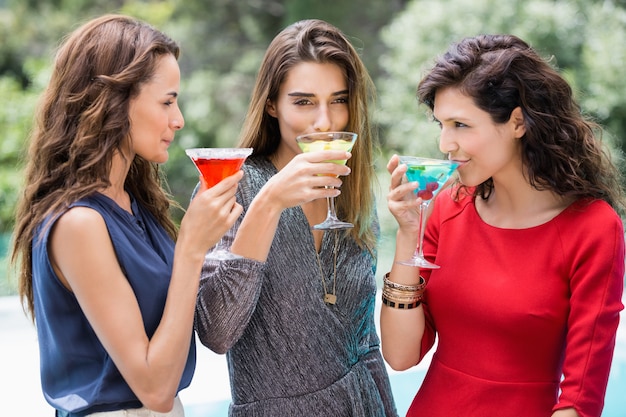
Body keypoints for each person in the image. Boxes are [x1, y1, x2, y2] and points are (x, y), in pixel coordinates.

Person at [10, 14, 245, 417]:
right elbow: (154, 388)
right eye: (168, 101)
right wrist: (191, 247)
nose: (179, 119)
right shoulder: (78, 224)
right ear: (114, 102)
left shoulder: (137, 206)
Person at [381, 34, 625, 417]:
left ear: (516, 122)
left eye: (461, 125)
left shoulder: (593, 228)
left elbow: (579, 400)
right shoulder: (447, 208)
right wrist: (408, 234)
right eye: (441, 124)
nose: (446, 144)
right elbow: (399, 355)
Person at [193, 19, 398, 416]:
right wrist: (269, 203)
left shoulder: (353, 190)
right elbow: (217, 332)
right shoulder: (235, 185)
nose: (325, 122)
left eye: (338, 100)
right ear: (272, 104)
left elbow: (366, 343)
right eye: (304, 102)